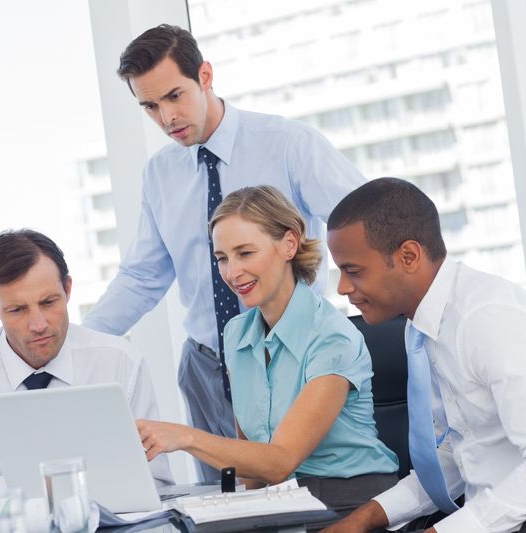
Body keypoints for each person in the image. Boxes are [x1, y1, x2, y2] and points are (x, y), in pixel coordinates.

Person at [81, 24, 365, 481]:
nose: (166, 117)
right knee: (222, 509)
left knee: (298, 494)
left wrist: (365, 300)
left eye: (175, 96)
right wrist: (78, 344)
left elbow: (362, 221)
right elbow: (142, 278)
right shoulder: (160, 174)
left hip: (288, 355)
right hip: (206, 365)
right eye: (150, 106)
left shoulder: (288, 144)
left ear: (205, 76)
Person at [323, 178, 526, 533]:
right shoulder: (427, 326)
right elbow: (454, 455)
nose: (341, 287)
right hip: (504, 519)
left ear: (409, 256)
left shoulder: (488, 321)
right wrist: (362, 519)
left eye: (353, 270)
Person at [137, 186, 398, 517]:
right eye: (222, 258)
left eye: (245, 253)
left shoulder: (332, 338)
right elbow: (251, 462)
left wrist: (185, 437)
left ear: (289, 244)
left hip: (349, 500)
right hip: (284, 499)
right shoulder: (237, 334)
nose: (232, 272)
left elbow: (280, 460)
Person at [0, 229, 173, 499]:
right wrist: (21, 492)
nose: (39, 325)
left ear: (67, 289)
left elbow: (155, 485)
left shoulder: (122, 363)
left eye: (49, 302)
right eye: (17, 310)